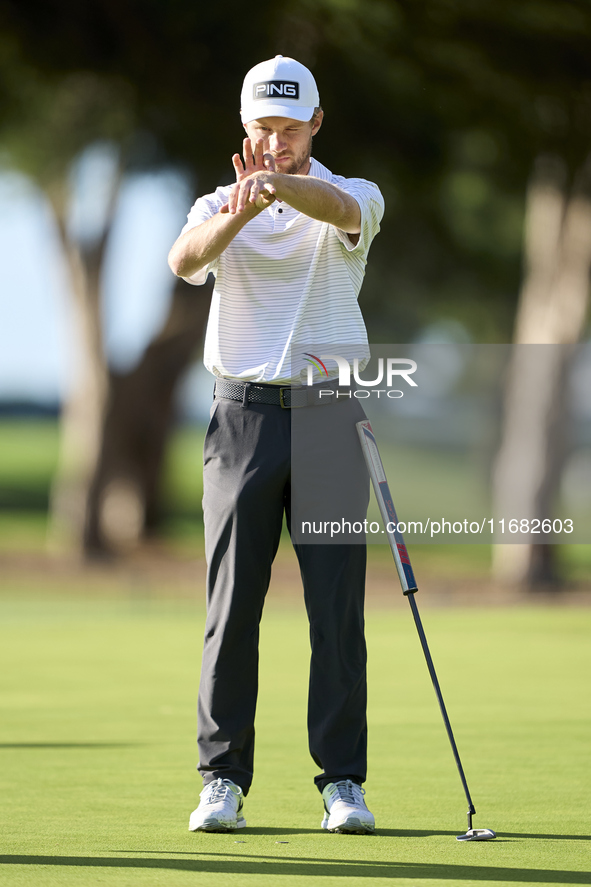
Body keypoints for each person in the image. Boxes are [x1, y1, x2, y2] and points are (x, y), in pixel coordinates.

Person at [168, 55, 384, 834]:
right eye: (262, 127)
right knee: (232, 608)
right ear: (242, 125)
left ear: (316, 124)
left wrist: (281, 187)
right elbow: (186, 259)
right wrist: (244, 207)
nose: (275, 141)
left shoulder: (354, 196)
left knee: (335, 612)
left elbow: (334, 206)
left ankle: (342, 783)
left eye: (289, 128)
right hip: (242, 419)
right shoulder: (214, 202)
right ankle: (222, 779)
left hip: (329, 416)